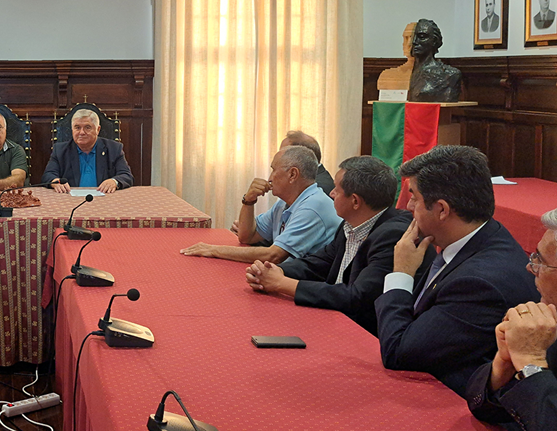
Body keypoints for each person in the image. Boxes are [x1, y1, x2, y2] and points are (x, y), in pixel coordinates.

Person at [375, 145, 539, 394]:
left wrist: (402, 274)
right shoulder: (484, 235)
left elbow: (398, 353)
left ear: (441, 209)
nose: (408, 206)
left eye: (415, 197)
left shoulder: (479, 284)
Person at [245, 156, 425, 335]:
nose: (331, 194)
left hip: (364, 336)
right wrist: (272, 271)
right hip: (335, 320)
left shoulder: (393, 235)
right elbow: (319, 263)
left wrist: (281, 283)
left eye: (336, 191)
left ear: (355, 201)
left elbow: (357, 297)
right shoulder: (349, 224)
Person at [466, 204, 557, 430]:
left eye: (540, 261)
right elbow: (483, 408)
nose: (530, 268)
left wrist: (530, 363)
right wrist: (505, 366)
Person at [181, 145, 340, 264]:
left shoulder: (313, 206)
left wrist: (213, 249)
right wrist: (248, 201)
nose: (269, 178)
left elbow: (274, 255)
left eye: (273, 170)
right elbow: (247, 236)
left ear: (292, 174)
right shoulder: (284, 203)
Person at [43, 109, 133, 194]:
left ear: (98, 129)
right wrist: (54, 182)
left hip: (104, 200)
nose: (81, 132)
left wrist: (114, 181)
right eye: (77, 128)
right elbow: (48, 175)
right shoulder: (60, 150)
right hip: (70, 200)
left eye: (87, 127)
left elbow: (126, 175)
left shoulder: (113, 149)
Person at [407, 19, 462, 103]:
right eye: (413, 37)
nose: (414, 42)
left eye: (421, 37)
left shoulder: (449, 75)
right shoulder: (408, 73)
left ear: (434, 41)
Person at [281, 130, 334, 197]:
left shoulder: (317, 187)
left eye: (283, 154)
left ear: (300, 156)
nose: (279, 158)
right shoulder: (307, 178)